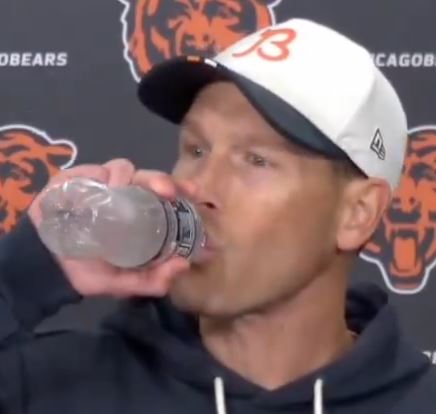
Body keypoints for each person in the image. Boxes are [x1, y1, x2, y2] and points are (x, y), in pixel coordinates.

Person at [0, 18, 434, 414]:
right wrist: (26, 273)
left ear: (357, 214)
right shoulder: (49, 387)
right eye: (196, 149)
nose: (199, 187)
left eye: (256, 160)